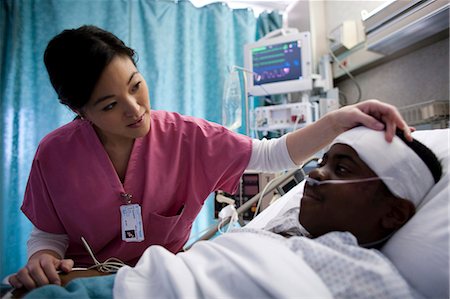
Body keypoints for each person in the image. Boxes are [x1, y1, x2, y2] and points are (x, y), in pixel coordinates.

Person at [8, 24, 413, 290]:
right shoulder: (55, 156)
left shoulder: (187, 137)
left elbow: (270, 155)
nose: (135, 109)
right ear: (80, 111)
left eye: (136, 86)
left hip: (159, 283)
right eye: (110, 105)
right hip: (80, 279)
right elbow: (50, 233)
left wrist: (337, 122)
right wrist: (43, 258)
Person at [20, 126, 442, 299]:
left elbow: (268, 154)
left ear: (393, 214)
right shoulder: (278, 234)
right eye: (324, 160)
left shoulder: (367, 276)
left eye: (341, 169)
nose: (315, 173)